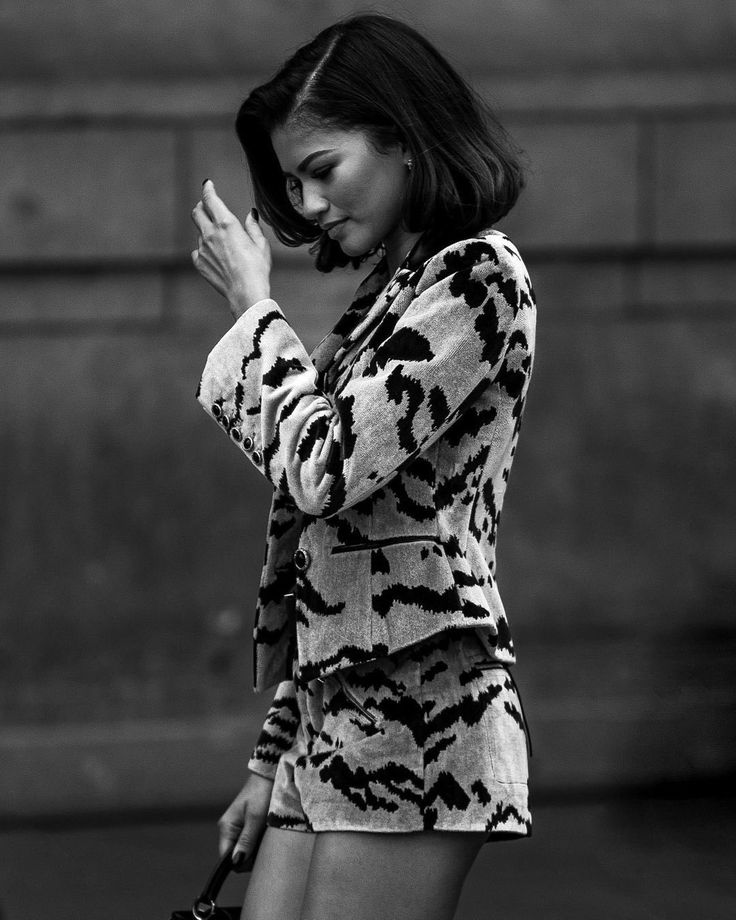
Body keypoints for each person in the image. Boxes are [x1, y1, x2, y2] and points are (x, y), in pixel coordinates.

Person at [191, 12, 536, 920]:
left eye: (322, 170)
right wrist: (273, 760)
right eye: (295, 181)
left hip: (425, 708)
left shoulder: (479, 281)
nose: (307, 206)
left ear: (406, 139)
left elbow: (327, 469)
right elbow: (333, 553)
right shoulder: (392, 295)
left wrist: (253, 309)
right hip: (334, 714)